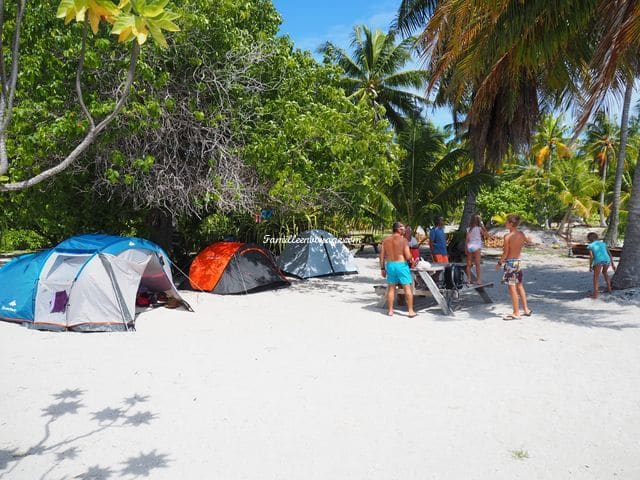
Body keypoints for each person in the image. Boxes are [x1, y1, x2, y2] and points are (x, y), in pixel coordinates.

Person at [495, 214, 532, 320]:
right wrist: (529, 239)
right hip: (518, 262)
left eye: (506, 222)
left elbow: (505, 253)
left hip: (510, 263)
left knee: (512, 288)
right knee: (520, 286)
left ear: (511, 224)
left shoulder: (507, 236)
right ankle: (526, 309)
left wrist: (499, 263)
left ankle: (516, 312)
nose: (505, 224)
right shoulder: (521, 234)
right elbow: (529, 242)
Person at [380, 221, 417, 317]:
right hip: (401, 265)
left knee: (391, 288)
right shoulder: (403, 240)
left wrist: (382, 268)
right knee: (407, 287)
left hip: (390, 265)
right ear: (398, 229)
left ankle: (390, 310)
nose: (404, 230)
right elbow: (408, 255)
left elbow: (382, 256)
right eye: (403, 228)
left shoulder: (385, 240)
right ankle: (410, 311)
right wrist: (412, 261)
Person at [586, 232, 616, 298]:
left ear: (589, 239)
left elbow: (591, 257)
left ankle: (595, 294)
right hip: (607, 260)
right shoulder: (603, 244)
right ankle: (610, 289)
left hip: (598, 261)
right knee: (605, 273)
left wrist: (590, 266)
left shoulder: (590, 245)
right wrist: (613, 264)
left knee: (596, 277)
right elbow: (610, 254)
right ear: (597, 237)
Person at [465, 214, 489, 284]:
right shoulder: (479, 229)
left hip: (470, 246)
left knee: (469, 264)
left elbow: (467, 240)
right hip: (477, 246)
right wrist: (484, 227)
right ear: (479, 221)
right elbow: (487, 236)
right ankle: (478, 280)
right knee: (477, 264)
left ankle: (469, 279)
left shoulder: (468, 229)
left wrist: (465, 248)